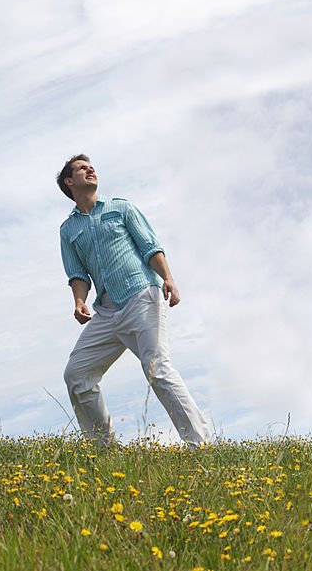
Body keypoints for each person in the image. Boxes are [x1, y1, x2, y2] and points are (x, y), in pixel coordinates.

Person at [57, 154, 210, 446]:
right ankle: (103, 448)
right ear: (69, 181)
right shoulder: (68, 230)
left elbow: (150, 246)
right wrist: (79, 301)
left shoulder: (120, 208)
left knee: (157, 369)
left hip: (141, 295)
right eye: (81, 168)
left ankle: (199, 444)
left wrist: (169, 278)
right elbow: (77, 273)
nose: (90, 169)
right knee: (77, 375)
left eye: (91, 166)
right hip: (106, 311)